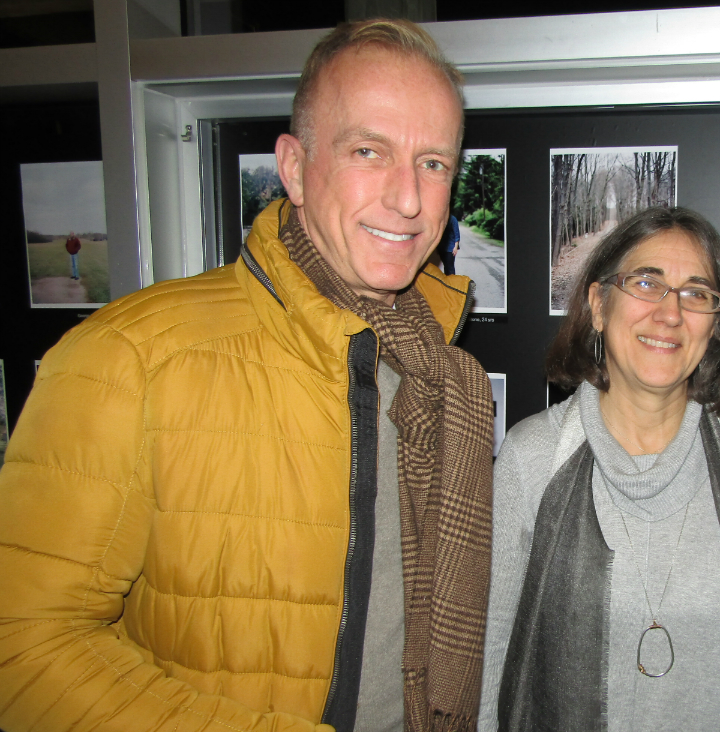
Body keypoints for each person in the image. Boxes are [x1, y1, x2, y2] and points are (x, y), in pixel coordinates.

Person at [0, 19, 495, 732]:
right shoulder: (130, 357)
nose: (409, 199)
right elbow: (23, 647)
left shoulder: (445, 377)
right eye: (368, 151)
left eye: (434, 163)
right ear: (293, 167)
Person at [481, 207, 720, 732]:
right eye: (646, 283)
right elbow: (491, 654)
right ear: (598, 305)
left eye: (697, 294)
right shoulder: (533, 460)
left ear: (716, 325)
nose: (670, 314)